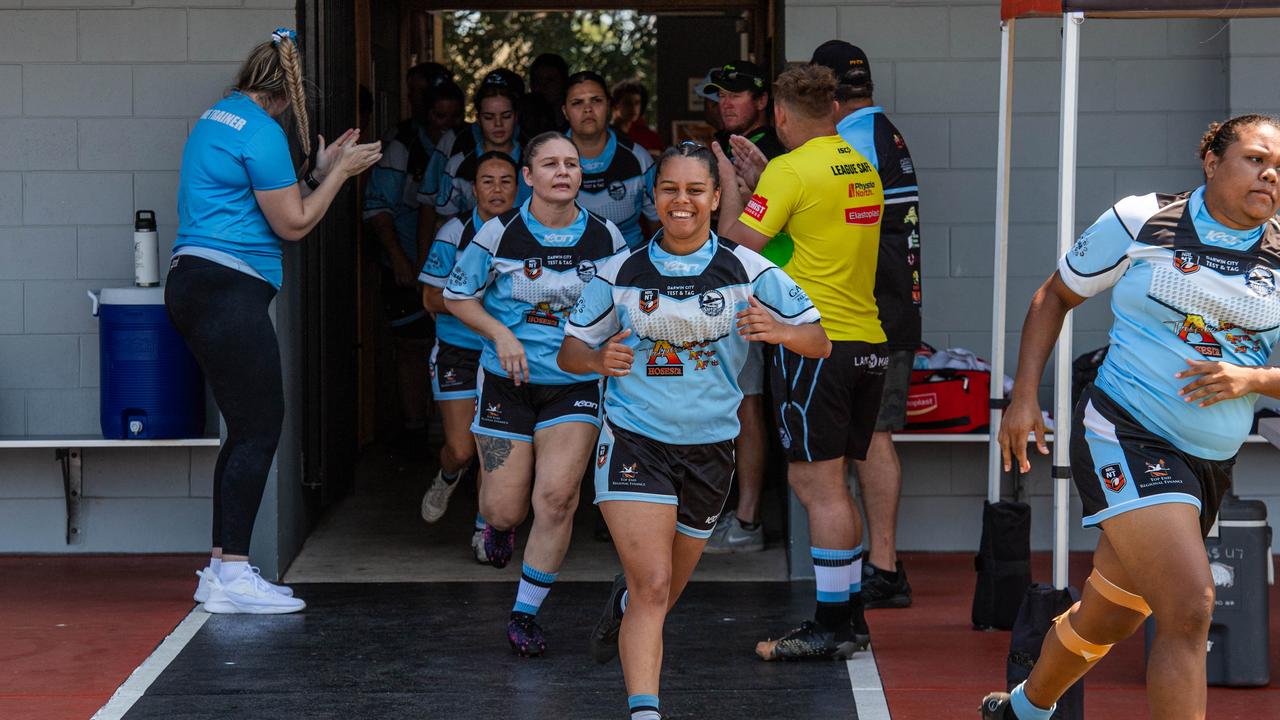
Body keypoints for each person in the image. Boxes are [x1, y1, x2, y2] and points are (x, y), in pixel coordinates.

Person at [982, 115, 1280, 720]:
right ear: (1212, 160)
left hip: (1212, 462)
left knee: (1114, 610)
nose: (1270, 175)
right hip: (1125, 432)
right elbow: (1054, 297)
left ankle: (1024, 709)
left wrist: (1255, 379)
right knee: (1190, 605)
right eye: (1254, 159)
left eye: (1278, 168)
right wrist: (1024, 398)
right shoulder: (1142, 219)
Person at [561, 141, 830, 720]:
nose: (680, 201)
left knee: (661, 594)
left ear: (714, 197)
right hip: (635, 441)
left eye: (693, 190)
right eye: (669, 190)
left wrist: (779, 332)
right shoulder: (619, 271)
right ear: (654, 198)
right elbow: (569, 352)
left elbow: (819, 339)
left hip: (710, 450)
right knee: (655, 584)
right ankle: (645, 710)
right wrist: (596, 360)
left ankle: (624, 602)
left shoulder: (749, 268)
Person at [172, 28, 381, 614]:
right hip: (225, 288)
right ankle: (234, 575)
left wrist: (314, 174)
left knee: (245, 427)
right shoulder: (263, 131)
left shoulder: (220, 116)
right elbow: (292, 225)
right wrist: (340, 173)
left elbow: (269, 206)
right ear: (289, 93)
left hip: (201, 282)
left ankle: (221, 569)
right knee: (261, 427)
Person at [714, 63, 886, 659]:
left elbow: (736, 250)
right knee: (836, 487)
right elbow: (813, 225)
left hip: (814, 342)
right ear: (833, 111)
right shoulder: (859, 165)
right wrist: (768, 180)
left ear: (780, 116)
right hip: (866, 339)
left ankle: (831, 626)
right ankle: (851, 618)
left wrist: (728, 184)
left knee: (819, 488)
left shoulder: (789, 171)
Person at [443, 132, 627, 655]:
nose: (563, 172)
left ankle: (524, 612)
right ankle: (497, 526)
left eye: (571, 164)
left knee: (558, 498)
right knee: (504, 512)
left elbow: (622, 303)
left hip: (574, 385)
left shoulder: (606, 237)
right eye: (550, 164)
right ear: (529, 176)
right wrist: (501, 334)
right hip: (507, 385)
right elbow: (457, 297)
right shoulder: (497, 234)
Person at [812, 40, 920, 608]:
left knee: (872, 438)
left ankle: (883, 567)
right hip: (889, 306)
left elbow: (819, 221)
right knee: (870, 437)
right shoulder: (885, 132)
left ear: (828, 94)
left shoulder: (850, 141)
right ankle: (875, 563)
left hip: (871, 310)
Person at [699, 60, 786, 556]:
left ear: (762, 102)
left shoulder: (773, 154)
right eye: (720, 94)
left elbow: (764, 228)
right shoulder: (719, 144)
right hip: (713, 290)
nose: (727, 102)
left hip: (755, 294)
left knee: (748, 405)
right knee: (727, 400)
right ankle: (727, 511)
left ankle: (749, 519)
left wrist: (750, 183)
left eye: (737, 94)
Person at [418, 151, 521, 563]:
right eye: (487, 181)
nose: (497, 189)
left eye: (506, 180)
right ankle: (446, 476)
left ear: (521, 186)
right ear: (473, 188)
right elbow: (429, 296)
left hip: (504, 353)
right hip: (458, 351)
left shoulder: (529, 233)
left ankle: (486, 529)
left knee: (490, 447)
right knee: (461, 450)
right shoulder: (454, 231)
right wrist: (481, 302)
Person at [364, 63, 444, 447]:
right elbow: (376, 206)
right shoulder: (401, 144)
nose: (444, 123)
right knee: (413, 348)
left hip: (454, 271)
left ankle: (446, 434)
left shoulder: (463, 144)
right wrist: (397, 257)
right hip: (407, 266)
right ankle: (414, 434)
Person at [563, 70, 659, 250]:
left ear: (608, 105)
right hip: (563, 271)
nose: (588, 109)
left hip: (626, 269)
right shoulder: (545, 160)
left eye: (596, 100)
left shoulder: (638, 159)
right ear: (565, 111)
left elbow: (659, 226)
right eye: (577, 102)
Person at [431, 72, 531, 221]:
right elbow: (447, 220)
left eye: (506, 116)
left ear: (516, 116)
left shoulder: (534, 161)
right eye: (489, 117)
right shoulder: (458, 164)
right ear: (478, 120)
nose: (498, 124)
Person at [704, 61, 786, 161]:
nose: (726, 105)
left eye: (735, 96)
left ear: (761, 101)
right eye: (722, 95)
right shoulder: (728, 142)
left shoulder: (770, 154)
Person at [610, 79, 662, 159]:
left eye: (637, 103)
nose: (634, 108)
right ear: (616, 105)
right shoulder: (605, 135)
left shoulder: (647, 136)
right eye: (628, 103)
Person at [521, 52, 570, 136]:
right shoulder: (521, 122)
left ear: (564, 83)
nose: (542, 86)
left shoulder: (576, 123)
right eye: (537, 80)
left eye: (550, 80)